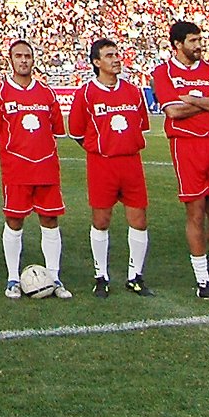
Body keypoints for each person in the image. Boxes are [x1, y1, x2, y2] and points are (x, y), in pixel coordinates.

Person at [151, 20, 209, 299]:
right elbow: (173, 113)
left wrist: (192, 99)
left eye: (200, 40)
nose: (199, 45)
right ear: (177, 44)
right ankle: (202, 280)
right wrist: (207, 100)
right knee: (195, 211)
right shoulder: (163, 73)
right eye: (192, 41)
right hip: (186, 146)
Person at [0, 37, 70, 300]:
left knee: (50, 220)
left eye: (28, 56)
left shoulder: (46, 93)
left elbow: (56, 130)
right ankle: (13, 278)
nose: (24, 60)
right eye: (19, 56)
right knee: (14, 220)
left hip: (46, 167)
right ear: (10, 60)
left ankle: (54, 277)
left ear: (34, 60)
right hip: (16, 169)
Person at [68, 37, 150, 297]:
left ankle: (135, 276)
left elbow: (141, 125)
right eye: (109, 55)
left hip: (131, 163)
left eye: (117, 54)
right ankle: (100, 275)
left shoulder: (133, 91)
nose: (116, 59)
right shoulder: (86, 93)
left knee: (138, 220)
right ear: (96, 62)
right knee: (101, 220)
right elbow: (78, 132)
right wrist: (101, 149)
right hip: (102, 165)